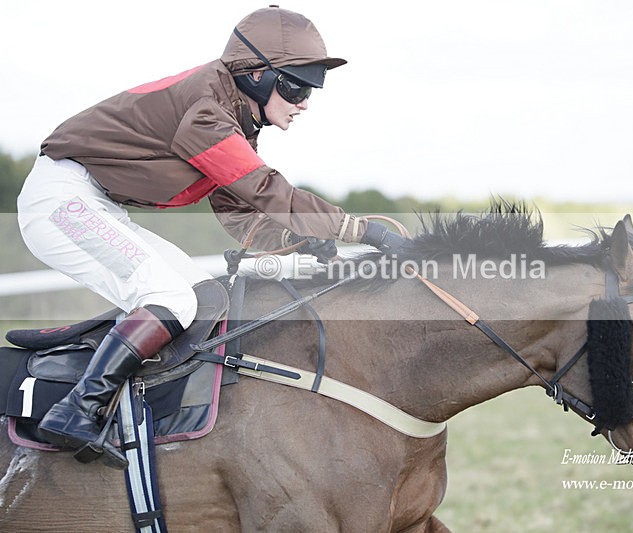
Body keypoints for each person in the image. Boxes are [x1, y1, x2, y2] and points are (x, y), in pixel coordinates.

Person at [16, 6, 406, 469]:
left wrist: (303, 241)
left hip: (91, 202)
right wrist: (361, 229)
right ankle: (77, 410)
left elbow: (240, 210)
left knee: (203, 296)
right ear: (257, 74)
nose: (304, 102)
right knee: (169, 297)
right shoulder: (207, 113)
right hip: (63, 200)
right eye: (297, 85)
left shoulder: (233, 113)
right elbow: (266, 188)